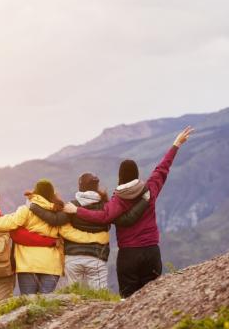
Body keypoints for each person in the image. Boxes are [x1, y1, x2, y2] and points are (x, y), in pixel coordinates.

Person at [63, 126, 194, 298]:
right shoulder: (150, 189)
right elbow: (162, 169)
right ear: (136, 174)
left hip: (128, 254)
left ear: (120, 177)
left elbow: (102, 217)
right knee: (152, 297)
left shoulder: (118, 200)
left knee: (128, 299)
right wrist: (176, 144)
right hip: (151, 250)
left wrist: (76, 210)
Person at [0, 179, 108, 295]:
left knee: (28, 306)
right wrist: (98, 238)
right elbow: (69, 233)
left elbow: (2, 224)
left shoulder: (26, 210)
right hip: (51, 265)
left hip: (28, 265)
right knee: (46, 306)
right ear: (52, 194)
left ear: (35, 192)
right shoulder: (59, 211)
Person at [28, 173, 149, 290]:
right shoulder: (106, 207)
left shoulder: (72, 205)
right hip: (97, 258)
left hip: (73, 258)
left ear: (80, 187)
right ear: (96, 187)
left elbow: (55, 220)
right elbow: (128, 219)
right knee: (100, 298)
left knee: (75, 298)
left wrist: (34, 207)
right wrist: (144, 201)